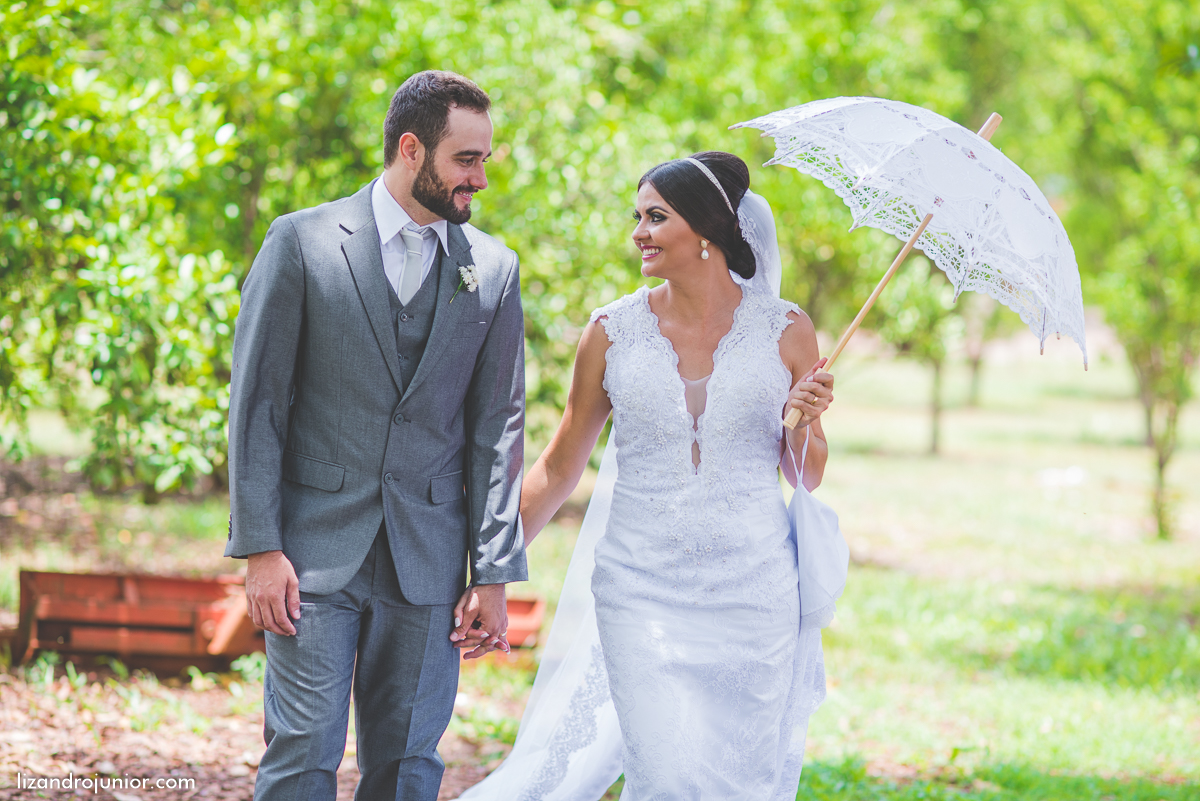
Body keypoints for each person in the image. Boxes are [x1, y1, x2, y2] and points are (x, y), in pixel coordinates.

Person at [456, 151, 836, 800]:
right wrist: (488, 565)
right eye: (638, 216)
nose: (638, 232)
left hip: (754, 596)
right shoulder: (611, 333)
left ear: (709, 232)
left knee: (738, 785)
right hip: (641, 588)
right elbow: (558, 463)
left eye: (655, 217)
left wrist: (802, 421)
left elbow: (808, 472)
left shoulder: (788, 331)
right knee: (664, 776)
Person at [225, 70, 528, 801]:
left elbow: (498, 428)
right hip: (309, 554)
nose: (480, 179)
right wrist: (260, 546)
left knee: (407, 766)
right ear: (411, 148)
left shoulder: (491, 270)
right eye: (466, 159)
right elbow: (257, 402)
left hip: (426, 564)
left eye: (485, 159)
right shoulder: (301, 242)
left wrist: (492, 571)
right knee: (302, 753)